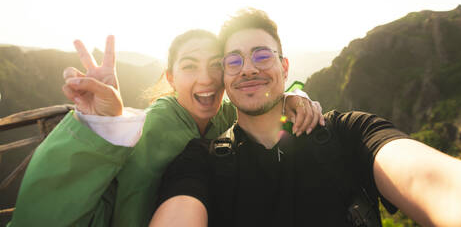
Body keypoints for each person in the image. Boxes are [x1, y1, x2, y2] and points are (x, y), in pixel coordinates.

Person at [152, 9, 461, 227]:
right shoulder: (200, 161)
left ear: (284, 68)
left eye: (261, 55)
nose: (250, 69)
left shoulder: (349, 133)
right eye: (234, 61)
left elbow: (445, 187)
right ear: (225, 77)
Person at [10, 30, 323, 227]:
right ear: (170, 78)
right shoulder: (158, 127)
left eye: (216, 65)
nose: (206, 78)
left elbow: (260, 107)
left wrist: (293, 95)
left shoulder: (220, 116)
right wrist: (102, 121)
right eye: (189, 66)